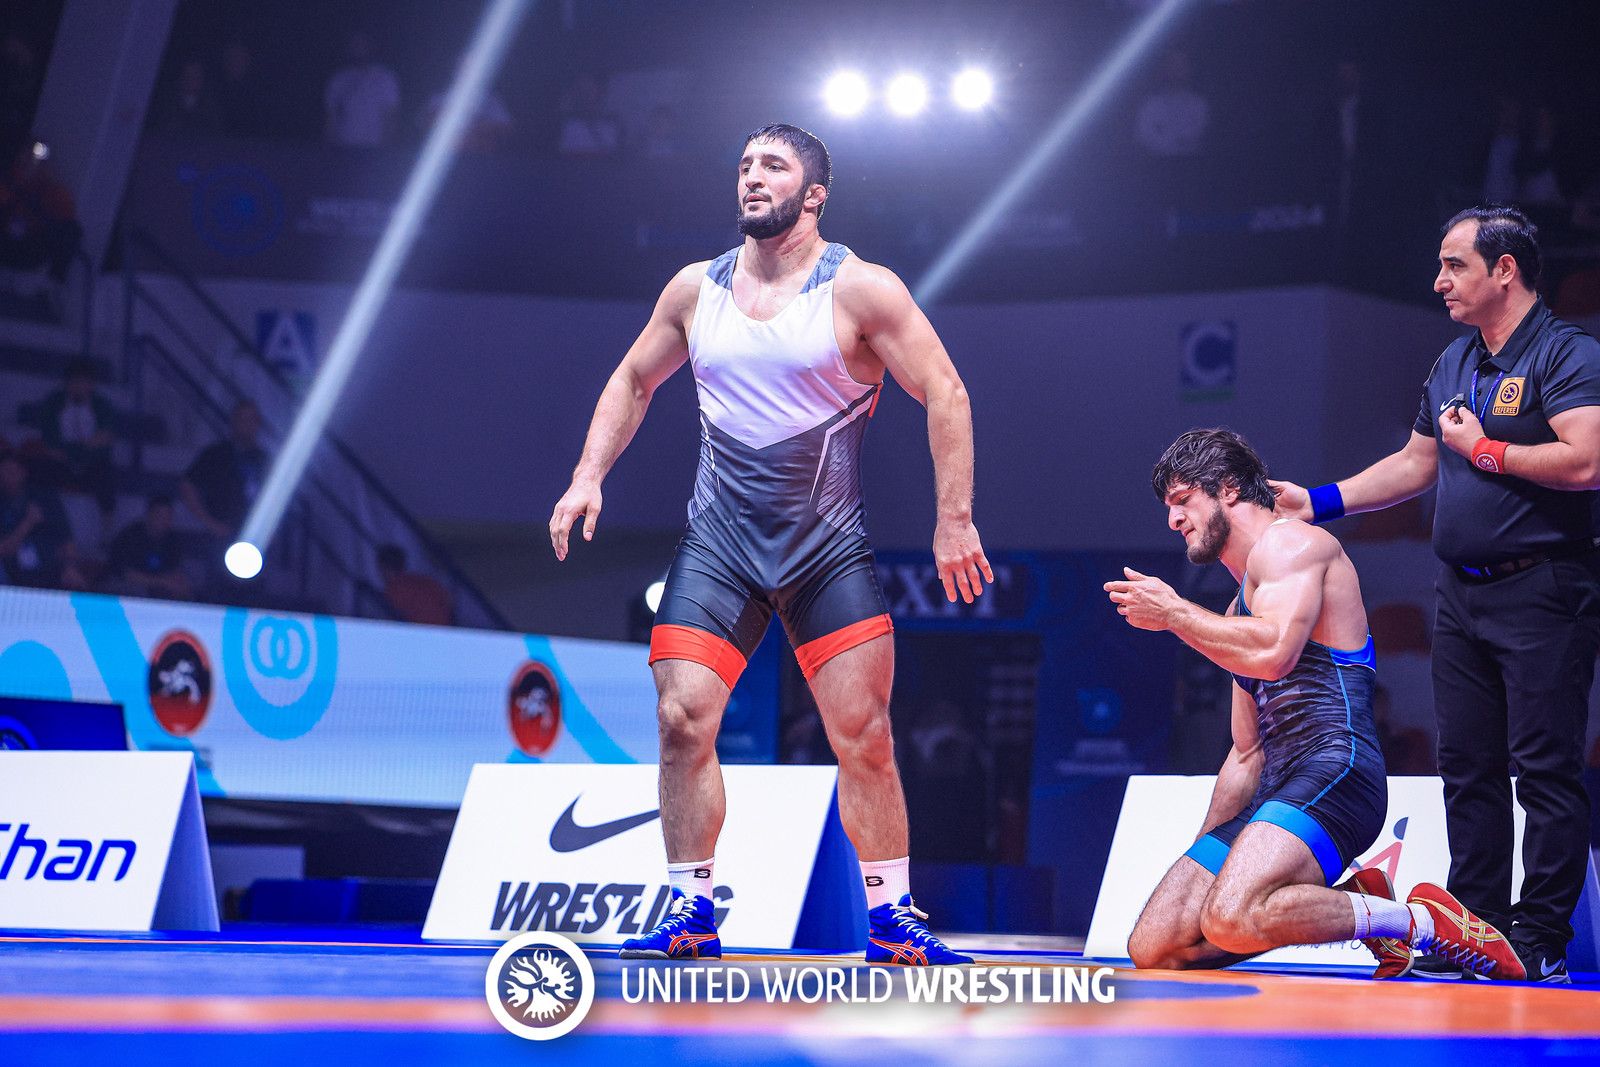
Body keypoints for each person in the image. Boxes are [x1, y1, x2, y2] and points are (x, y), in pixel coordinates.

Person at [549, 123, 991, 965]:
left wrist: (954, 517)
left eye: (774, 166)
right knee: (681, 717)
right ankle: (691, 908)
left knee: (863, 733)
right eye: (745, 163)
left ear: (814, 194)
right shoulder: (695, 290)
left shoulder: (862, 291)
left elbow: (945, 390)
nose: (752, 176)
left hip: (826, 551)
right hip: (719, 546)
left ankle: (892, 917)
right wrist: (588, 474)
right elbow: (633, 379)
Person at [1273, 205, 1600, 984]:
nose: (1439, 281)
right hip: (1461, 595)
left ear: (1505, 270)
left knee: (1545, 769)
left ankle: (1540, 938)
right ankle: (1473, 927)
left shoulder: (1568, 353)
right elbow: (1416, 464)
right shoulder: (1455, 359)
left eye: (1455, 265)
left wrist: (1484, 451)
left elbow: (1587, 461)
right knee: (1468, 766)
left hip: (1545, 588)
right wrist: (1317, 501)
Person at [1108, 428, 1524, 980]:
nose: (1173, 520)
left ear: (1228, 488)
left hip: (1338, 772)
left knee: (1230, 917)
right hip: (1277, 789)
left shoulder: (1296, 545)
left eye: (1183, 500)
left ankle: (1420, 921)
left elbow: (1276, 653)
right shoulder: (1233, 613)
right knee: (1156, 947)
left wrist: (1175, 614)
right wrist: (1205, 854)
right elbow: (1245, 753)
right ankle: (1360, 901)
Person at [30, 358, 120, 517]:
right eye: (75, 382)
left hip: (93, 464)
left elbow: (104, 443)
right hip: (60, 464)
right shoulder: (52, 403)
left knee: (108, 476)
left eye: (84, 382)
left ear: (92, 384)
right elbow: (51, 444)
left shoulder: (103, 406)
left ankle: (108, 527)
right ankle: (38, 520)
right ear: (66, 383)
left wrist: (74, 449)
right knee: (38, 472)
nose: (79, 387)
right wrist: (85, 446)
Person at [104, 494, 189, 600]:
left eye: (168, 516)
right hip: (123, 587)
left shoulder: (173, 540)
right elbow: (126, 574)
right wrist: (162, 582)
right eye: (159, 515)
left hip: (156, 588)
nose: (164, 520)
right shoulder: (130, 536)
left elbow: (175, 571)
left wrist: (179, 585)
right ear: (149, 514)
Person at [324, 31, 400, 148]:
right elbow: (331, 115)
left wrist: (387, 144)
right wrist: (330, 144)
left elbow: (391, 114)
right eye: (355, 45)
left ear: (370, 48)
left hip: (375, 145)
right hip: (345, 145)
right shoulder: (340, 79)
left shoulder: (385, 77)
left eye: (362, 45)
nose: (359, 49)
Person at [376, 543, 452, 625]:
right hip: (444, 629)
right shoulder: (428, 582)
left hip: (421, 630)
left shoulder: (395, 589)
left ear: (384, 568)